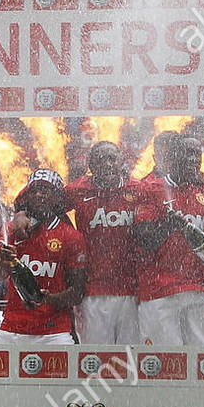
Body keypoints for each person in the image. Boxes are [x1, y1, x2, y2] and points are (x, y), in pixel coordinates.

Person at [131, 132, 204, 345]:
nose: (193, 159)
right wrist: (169, 225)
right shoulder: (151, 189)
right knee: (163, 363)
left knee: (202, 359)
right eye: (187, 153)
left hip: (197, 287)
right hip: (159, 291)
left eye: (197, 154)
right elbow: (143, 240)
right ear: (173, 156)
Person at [0, 170, 86, 345]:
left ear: (57, 197)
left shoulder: (72, 237)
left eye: (45, 190)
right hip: (12, 327)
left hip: (54, 331)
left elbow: (78, 292)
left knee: (67, 370)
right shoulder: (12, 228)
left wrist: (48, 299)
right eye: (33, 190)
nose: (38, 194)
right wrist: (2, 259)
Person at [65, 140, 142, 344]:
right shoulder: (77, 190)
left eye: (112, 159)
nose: (107, 164)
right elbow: (46, 206)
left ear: (121, 162)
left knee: (130, 360)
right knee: (95, 361)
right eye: (100, 159)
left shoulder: (138, 190)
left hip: (132, 291)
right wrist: (22, 213)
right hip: (93, 292)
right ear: (91, 165)